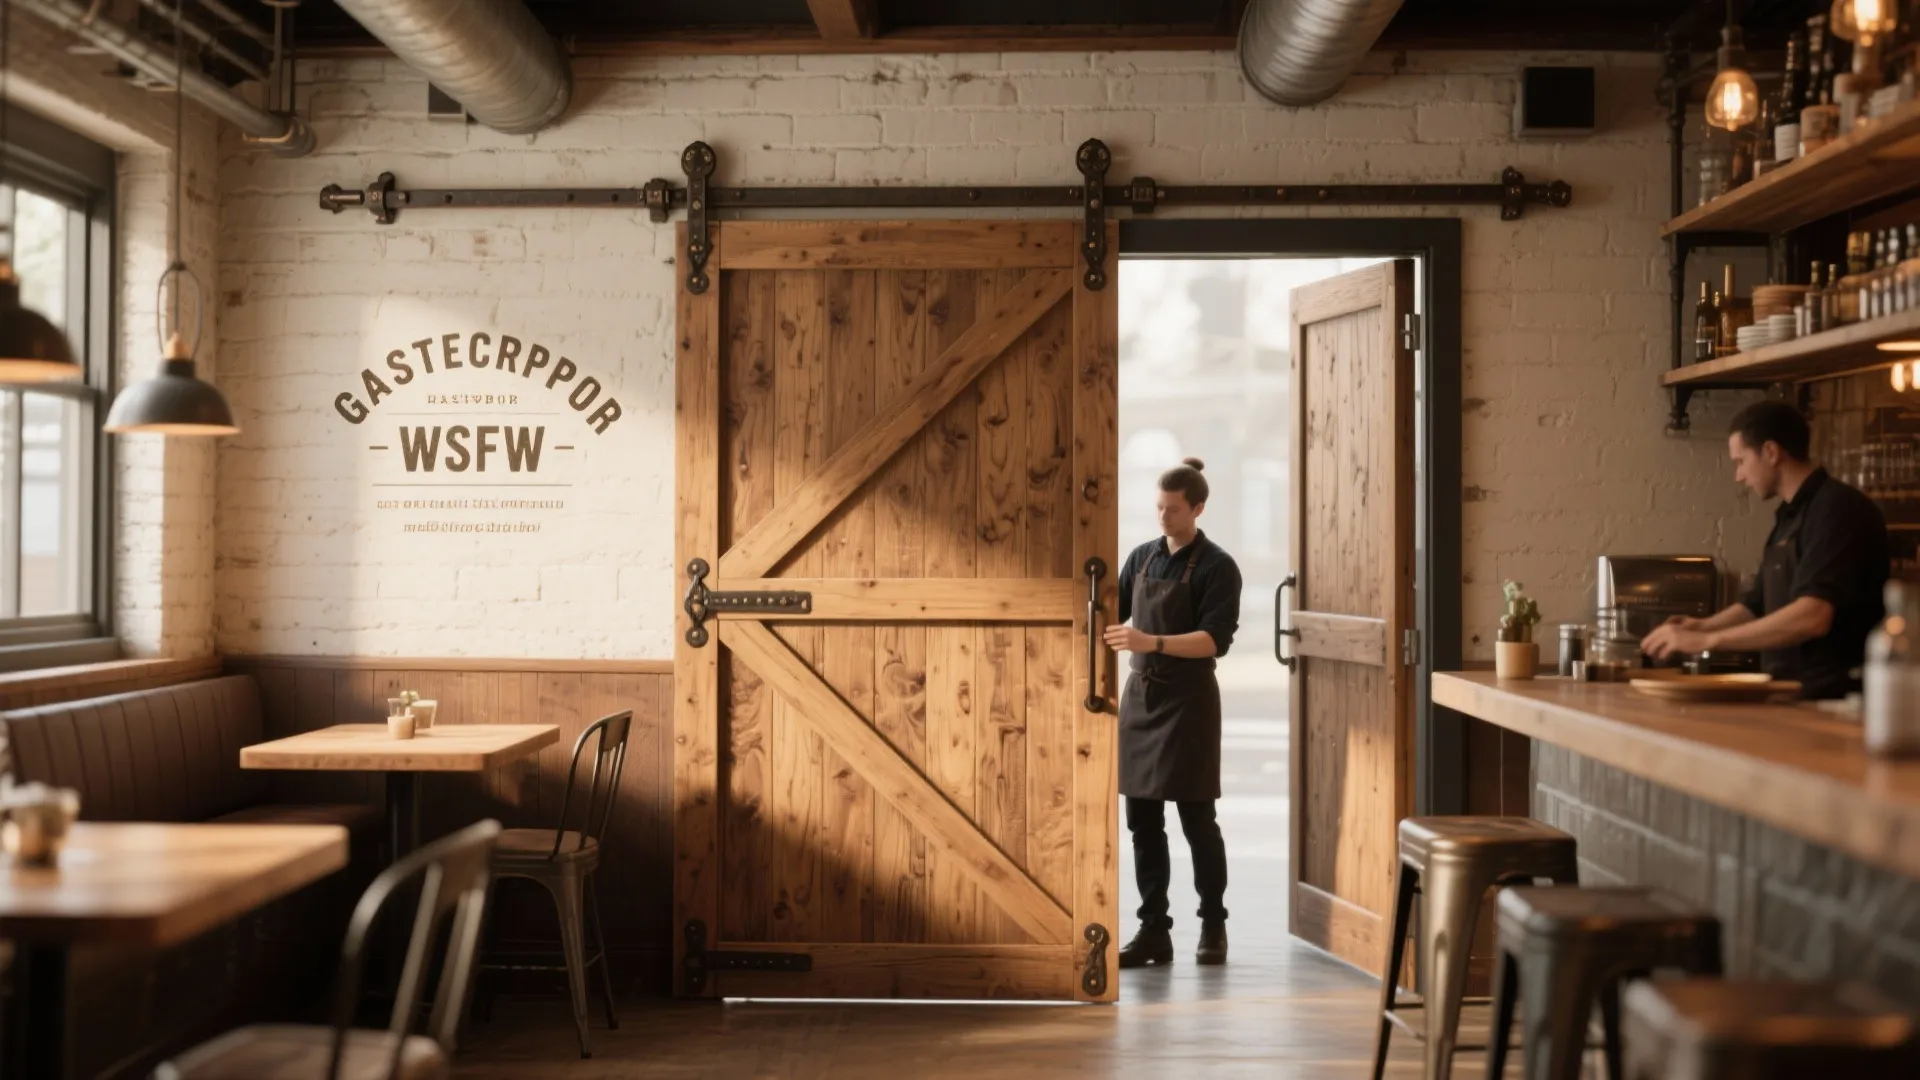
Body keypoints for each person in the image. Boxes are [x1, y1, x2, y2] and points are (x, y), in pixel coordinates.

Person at [1642, 400, 1889, 699]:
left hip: (1835, 702)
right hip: (1789, 695)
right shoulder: (1788, 516)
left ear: (1771, 452)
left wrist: (1709, 641)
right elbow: (1756, 604)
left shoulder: (1838, 510)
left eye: (1740, 461)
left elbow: (1813, 616)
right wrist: (1700, 627)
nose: (1739, 476)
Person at [1102, 457, 1243, 967]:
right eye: (1158, 507)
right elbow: (1109, 616)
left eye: (1173, 509)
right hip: (1142, 700)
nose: (1162, 517)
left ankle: (1213, 925)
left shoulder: (1217, 566)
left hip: (1189, 705)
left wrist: (1150, 640)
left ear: (1198, 508)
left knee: (1197, 820)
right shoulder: (1140, 558)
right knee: (1142, 822)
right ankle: (1153, 931)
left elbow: (1213, 641)